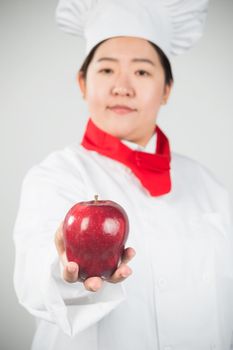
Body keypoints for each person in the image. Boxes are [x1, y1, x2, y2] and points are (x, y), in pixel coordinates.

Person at [13, 0, 233, 349]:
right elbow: (35, 272)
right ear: (82, 83)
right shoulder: (55, 176)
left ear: (167, 89)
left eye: (143, 72)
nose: (122, 87)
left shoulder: (209, 186)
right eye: (106, 70)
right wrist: (64, 271)